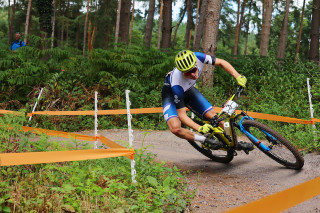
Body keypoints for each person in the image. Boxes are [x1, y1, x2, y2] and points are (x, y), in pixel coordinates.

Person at [162, 50, 254, 151]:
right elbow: (182, 115)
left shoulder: (198, 57)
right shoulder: (176, 84)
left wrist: (237, 76)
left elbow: (221, 62)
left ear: (196, 63)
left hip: (189, 89)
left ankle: (234, 142)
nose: (192, 75)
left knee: (219, 120)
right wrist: (199, 128)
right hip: (171, 95)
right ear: (182, 72)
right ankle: (203, 140)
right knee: (175, 128)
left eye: (193, 70)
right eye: (188, 73)